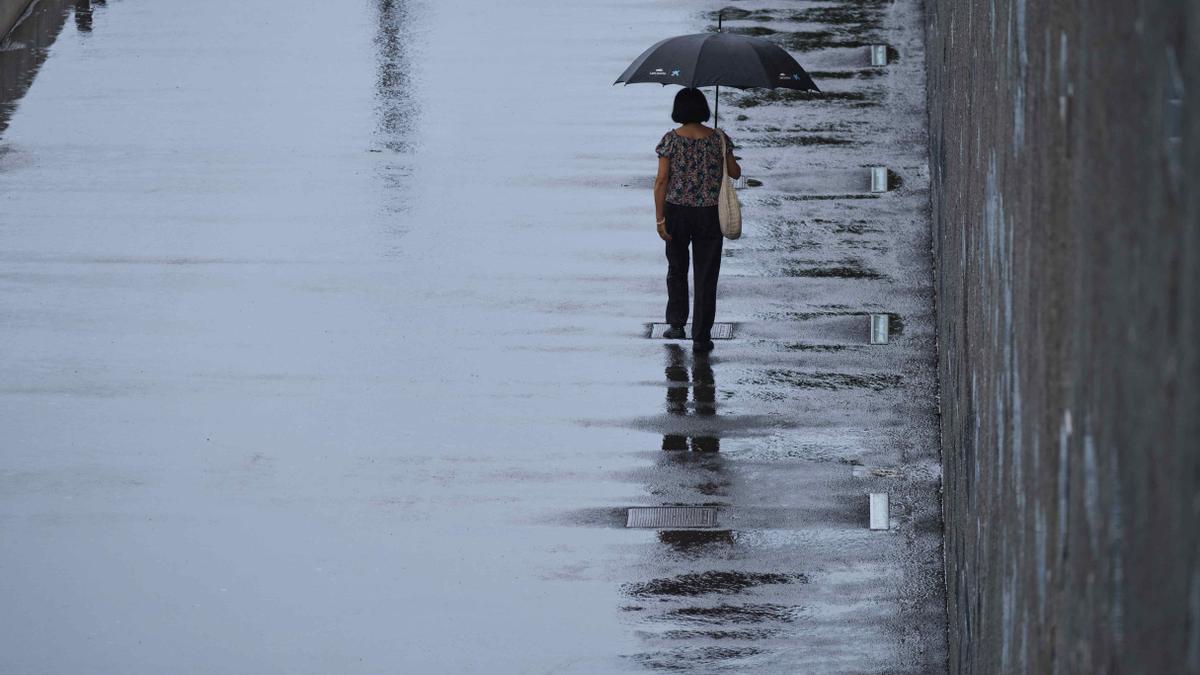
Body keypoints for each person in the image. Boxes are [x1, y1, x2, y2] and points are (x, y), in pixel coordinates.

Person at [653, 88, 741, 352]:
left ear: (679, 110)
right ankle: (701, 335)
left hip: (677, 211)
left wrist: (660, 219)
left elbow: (661, 181)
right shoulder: (719, 138)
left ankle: (677, 323)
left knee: (677, 269)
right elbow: (735, 173)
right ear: (703, 109)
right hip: (709, 214)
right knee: (706, 275)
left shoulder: (671, 140)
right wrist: (723, 150)